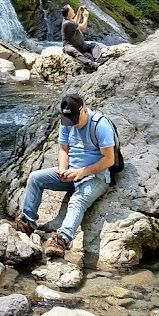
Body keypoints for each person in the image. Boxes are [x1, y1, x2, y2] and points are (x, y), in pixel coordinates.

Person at [13, 92, 115, 258]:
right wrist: (62, 169)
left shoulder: (100, 125)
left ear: (84, 111)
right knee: (35, 178)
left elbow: (109, 159)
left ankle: (62, 240)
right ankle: (27, 223)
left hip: (95, 176)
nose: (72, 125)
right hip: (71, 173)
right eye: (70, 121)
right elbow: (63, 149)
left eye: (75, 120)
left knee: (77, 200)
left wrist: (81, 172)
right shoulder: (67, 122)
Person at [61, 4, 104, 69]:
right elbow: (83, 26)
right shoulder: (67, 23)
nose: (73, 10)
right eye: (72, 10)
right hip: (70, 46)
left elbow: (75, 22)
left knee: (94, 45)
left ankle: (99, 59)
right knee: (75, 52)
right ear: (69, 12)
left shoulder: (69, 21)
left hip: (80, 45)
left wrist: (79, 11)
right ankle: (92, 64)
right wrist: (85, 17)